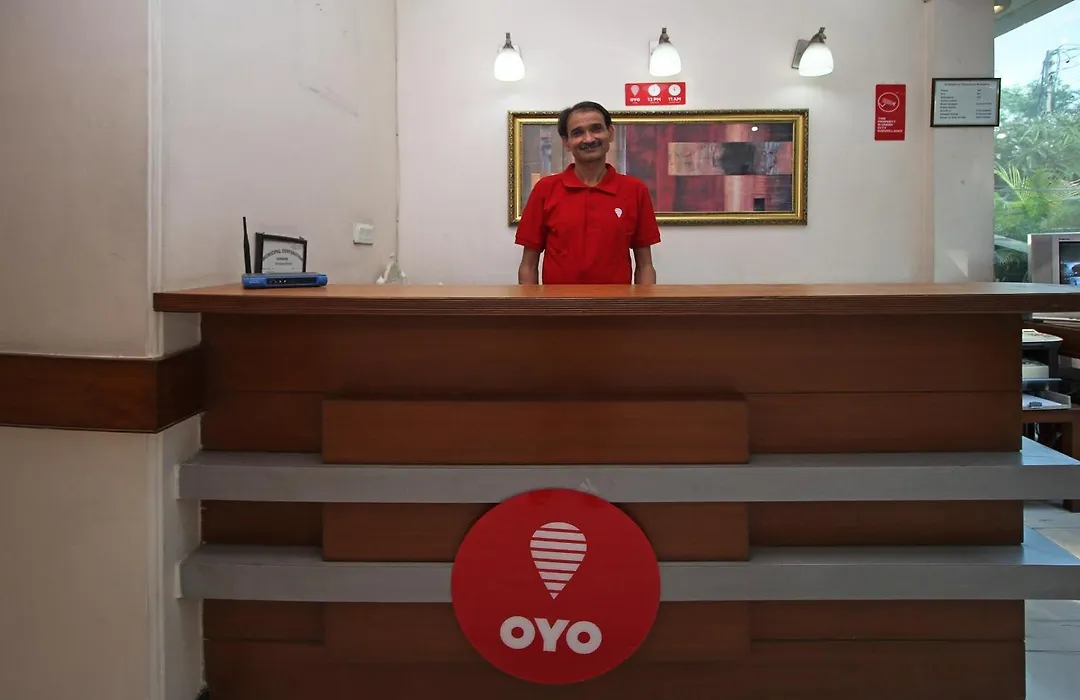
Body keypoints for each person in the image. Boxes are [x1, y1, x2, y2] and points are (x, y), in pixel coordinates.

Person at [516, 101, 661, 285]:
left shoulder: (635, 190)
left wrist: (644, 303)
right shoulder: (545, 189)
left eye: (596, 129)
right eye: (578, 133)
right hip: (558, 303)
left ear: (610, 133)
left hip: (617, 302)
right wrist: (531, 303)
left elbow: (645, 266)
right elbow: (528, 266)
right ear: (566, 142)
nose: (589, 139)